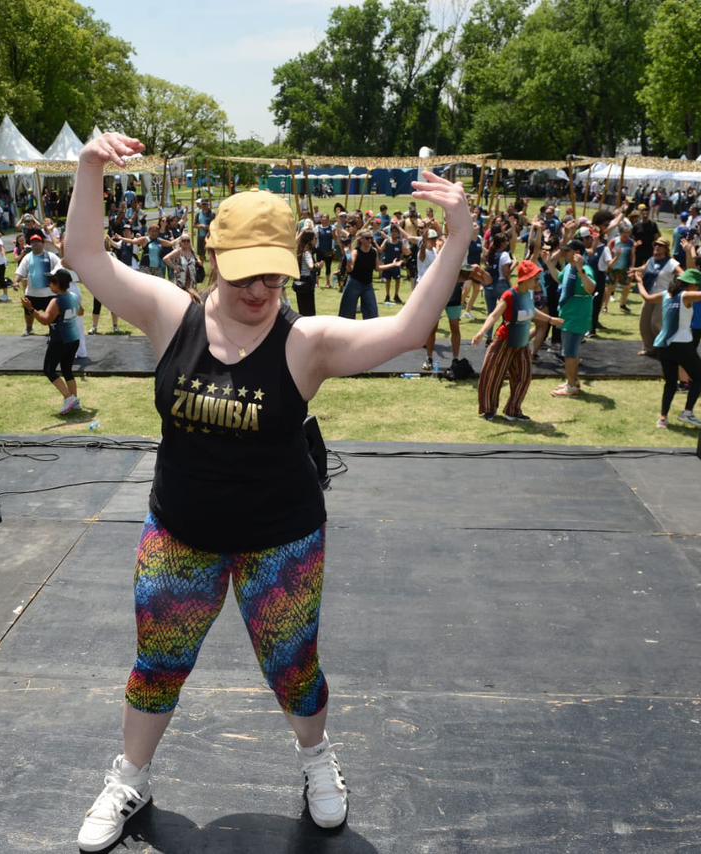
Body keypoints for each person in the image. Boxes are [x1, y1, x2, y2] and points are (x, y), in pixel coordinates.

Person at [63, 131, 471, 853]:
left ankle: (317, 762)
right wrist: (89, 168)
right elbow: (87, 257)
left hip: (280, 542)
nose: (258, 292)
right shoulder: (170, 315)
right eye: (244, 275)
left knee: (292, 666)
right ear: (212, 259)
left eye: (273, 278)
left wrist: (458, 234)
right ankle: (131, 776)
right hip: (180, 534)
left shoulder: (305, 342)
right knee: (158, 661)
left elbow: (412, 329)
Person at [473, 259, 562, 421]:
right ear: (526, 279)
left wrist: (550, 319)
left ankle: (513, 410)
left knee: (524, 376)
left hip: (521, 343)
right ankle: (488, 409)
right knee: (494, 375)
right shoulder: (509, 295)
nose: (538, 282)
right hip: (504, 341)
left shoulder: (527, 294)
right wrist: (481, 332)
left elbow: (532, 311)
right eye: (535, 278)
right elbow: (494, 315)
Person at [644, 266, 701, 429]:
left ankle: (663, 418)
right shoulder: (686, 295)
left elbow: (647, 297)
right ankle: (687, 413)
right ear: (691, 285)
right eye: (697, 285)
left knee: (670, 383)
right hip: (683, 345)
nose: (697, 289)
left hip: (664, 345)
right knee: (699, 378)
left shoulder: (666, 295)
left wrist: (640, 281)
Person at [24, 268, 84, 414]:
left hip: (60, 340)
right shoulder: (74, 296)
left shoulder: (55, 301)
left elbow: (45, 320)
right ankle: (74, 401)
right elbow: (81, 311)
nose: (49, 284)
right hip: (74, 339)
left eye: (51, 281)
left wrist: (31, 309)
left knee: (49, 370)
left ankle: (69, 398)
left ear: (58, 284)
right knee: (67, 370)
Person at [552, 239, 596, 397]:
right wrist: (549, 263)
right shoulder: (569, 268)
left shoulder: (584, 268)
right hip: (569, 313)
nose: (564, 253)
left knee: (570, 352)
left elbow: (591, 288)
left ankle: (571, 387)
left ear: (577, 253)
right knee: (570, 351)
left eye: (567, 251)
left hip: (577, 315)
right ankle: (572, 380)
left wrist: (580, 270)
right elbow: (560, 279)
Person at [633, 238, 681, 357]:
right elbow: (644, 268)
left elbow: (682, 274)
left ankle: (665, 348)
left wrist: (675, 288)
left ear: (666, 249)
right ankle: (649, 348)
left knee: (656, 323)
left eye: (661, 245)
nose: (657, 247)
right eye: (656, 245)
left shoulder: (671, 263)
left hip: (662, 297)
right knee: (644, 324)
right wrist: (634, 270)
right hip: (649, 295)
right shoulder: (651, 260)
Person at [17, 233, 61, 336]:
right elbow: (20, 272)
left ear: (43, 243)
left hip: (49, 293)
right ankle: (29, 329)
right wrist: (15, 282)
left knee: (52, 314)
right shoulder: (27, 257)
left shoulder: (51, 256)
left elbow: (60, 267)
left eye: (37, 242)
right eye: (33, 242)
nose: (35, 244)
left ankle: (53, 330)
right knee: (28, 311)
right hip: (32, 293)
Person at [295, 229, 318, 316]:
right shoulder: (307, 253)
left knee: (302, 308)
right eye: (314, 238)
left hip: (300, 280)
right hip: (307, 281)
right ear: (310, 240)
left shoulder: (300, 251)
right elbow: (311, 266)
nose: (316, 240)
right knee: (309, 309)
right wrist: (318, 265)